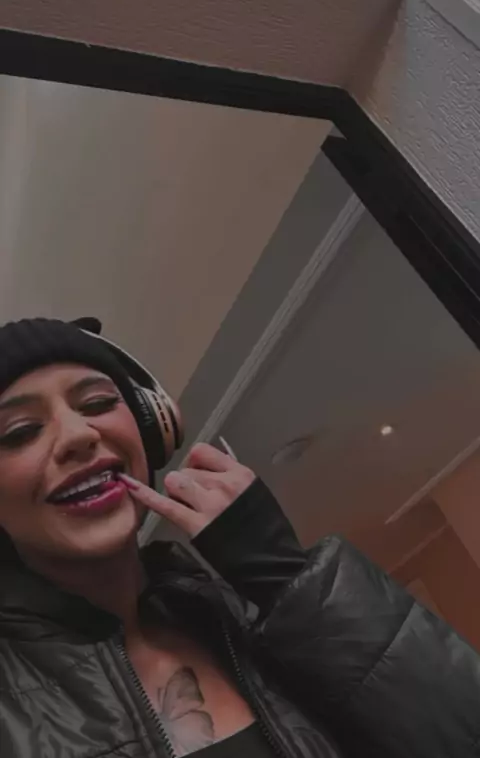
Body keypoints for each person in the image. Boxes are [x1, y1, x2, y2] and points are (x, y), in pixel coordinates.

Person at [0, 318, 478, 758]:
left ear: (150, 427)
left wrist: (292, 582)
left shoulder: (244, 618)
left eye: (98, 403)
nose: (78, 434)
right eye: (19, 432)